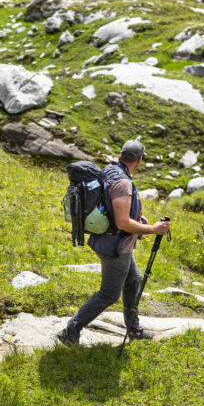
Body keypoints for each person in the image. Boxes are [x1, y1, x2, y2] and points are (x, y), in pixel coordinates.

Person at [57, 140, 171, 345]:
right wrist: (153, 230)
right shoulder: (123, 183)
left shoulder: (110, 170)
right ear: (139, 159)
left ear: (121, 155)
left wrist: (138, 218)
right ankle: (70, 330)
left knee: (133, 280)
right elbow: (122, 222)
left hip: (115, 241)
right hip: (115, 247)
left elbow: (110, 206)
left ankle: (134, 329)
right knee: (109, 294)